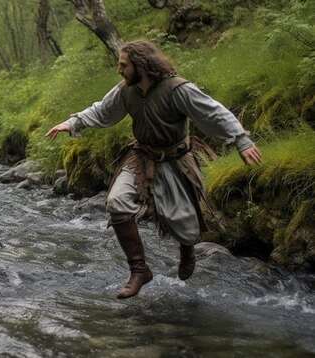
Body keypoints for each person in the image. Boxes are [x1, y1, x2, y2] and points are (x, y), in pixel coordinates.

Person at [46, 39, 262, 299]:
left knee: (187, 228)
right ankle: (139, 270)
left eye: (124, 65)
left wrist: (241, 140)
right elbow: (103, 111)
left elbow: (212, 112)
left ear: (142, 65)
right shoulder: (125, 90)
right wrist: (72, 123)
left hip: (176, 162)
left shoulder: (177, 89)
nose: (119, 70)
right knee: (116, 201)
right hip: (141, 157)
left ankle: (187, 249)